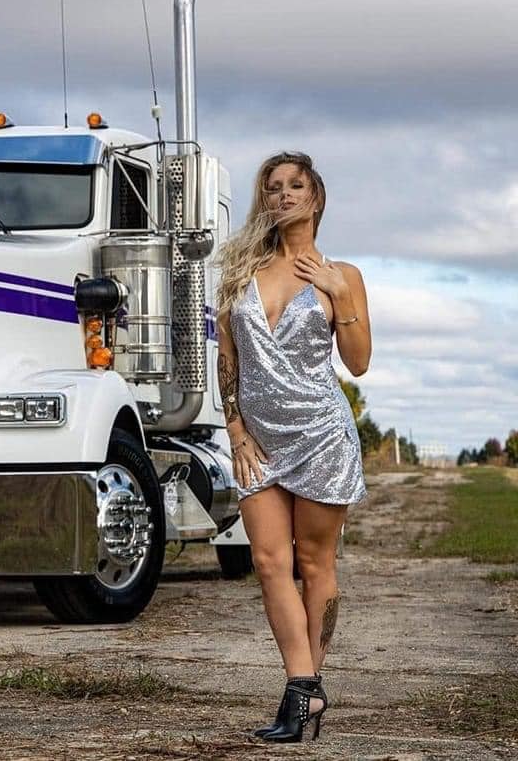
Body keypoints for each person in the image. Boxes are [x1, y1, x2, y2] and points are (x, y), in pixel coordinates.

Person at [214, 151, 371, 742]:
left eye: (295, 185)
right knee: (268, 561)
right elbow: (227, 360)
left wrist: (339, 296)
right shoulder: (240, 272)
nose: (283, 194)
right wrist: (235, 430)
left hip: (323, 436)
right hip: (257, 442)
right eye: (273, 186)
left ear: (315, 197)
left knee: (314, 565)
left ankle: (303, 692)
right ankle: (304, 687)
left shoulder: (342, 274)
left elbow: (359, 362)